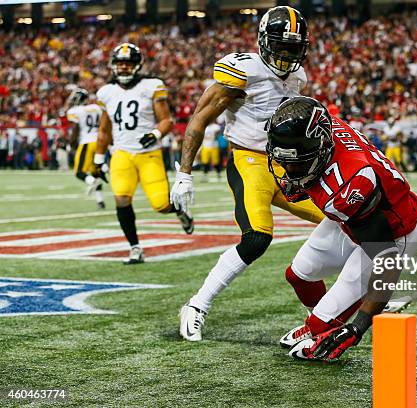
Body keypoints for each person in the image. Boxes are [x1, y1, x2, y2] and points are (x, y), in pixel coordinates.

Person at [172, 7, 324, 342]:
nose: (285, 55)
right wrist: (184, 174)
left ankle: (328, 311)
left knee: (345, 218)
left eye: (292, 48)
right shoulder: (244, 70)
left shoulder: (298, 78)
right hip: (249, 162)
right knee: (257, 237)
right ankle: (197, 305)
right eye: (279, 46)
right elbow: (199, 118)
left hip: (286, 168)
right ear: (263, 41)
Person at [266, 97, 417, 361]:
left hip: (391, 234)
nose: (289, 170)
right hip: (350, 219)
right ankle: (319, 322)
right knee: (298, 275)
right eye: (284, 161)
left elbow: (387, 260)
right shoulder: (324, 131)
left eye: (297, 162)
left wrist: (358, 326)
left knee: (322, 330)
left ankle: (323, 325)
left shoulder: (349, 185)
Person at [94, 42, 194, 265]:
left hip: (148, 153)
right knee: (120, 199)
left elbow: (167, 120)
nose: (124, 68)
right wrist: (98, 160)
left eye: (128, 64)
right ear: (113, 66)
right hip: (121, 153)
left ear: (137, 66)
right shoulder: (106, 92)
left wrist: (156, 134)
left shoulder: (152, 86)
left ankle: (178, 210)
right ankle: (134, 248)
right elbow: (103, 130)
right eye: (120, 64)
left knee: (160, 205)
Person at [65, 88, 106, 209]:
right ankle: (100, 201)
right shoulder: (97, 108)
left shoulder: (76, 111)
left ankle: (91, 181)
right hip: (99, 142)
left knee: (79, 172)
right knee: (95, 172)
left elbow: (75, 129)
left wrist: (71, 144)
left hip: (87, 142)